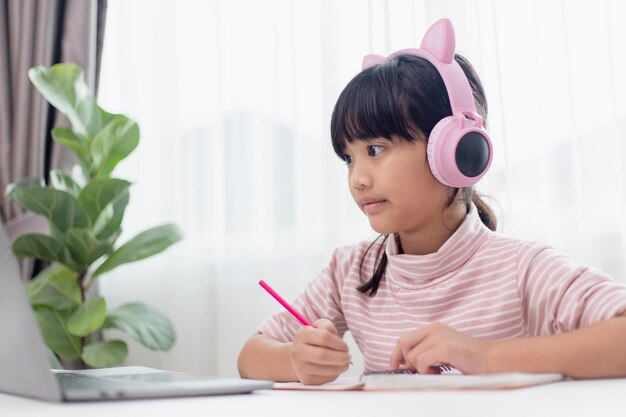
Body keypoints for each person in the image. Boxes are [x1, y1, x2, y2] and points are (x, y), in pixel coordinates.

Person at [237, 18, 626, 385]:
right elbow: (250, 355)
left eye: (375, 149)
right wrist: (294, 360)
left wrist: (488, 358)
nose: (357, 178)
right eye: (348, 157)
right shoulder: (351, 271)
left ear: (456, 151)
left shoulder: (522, 269)